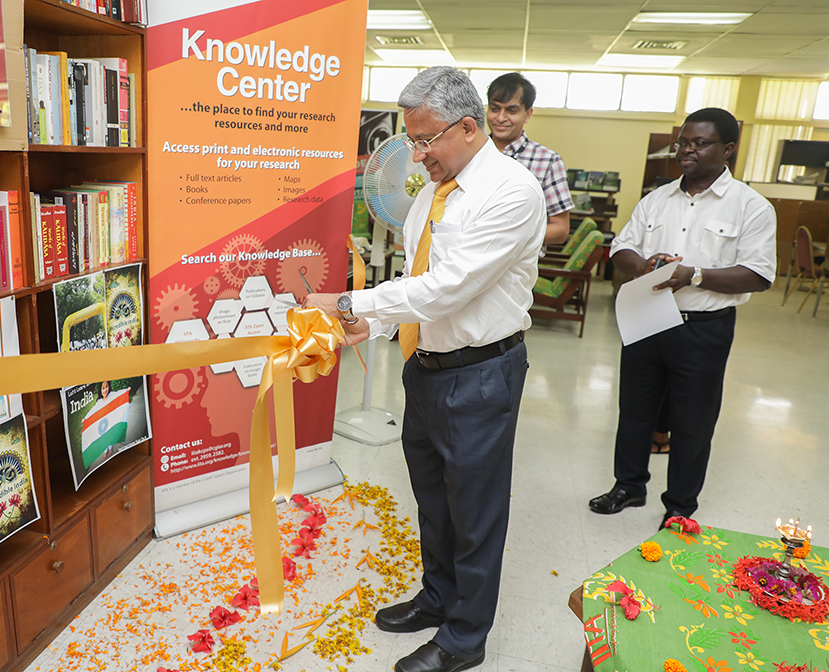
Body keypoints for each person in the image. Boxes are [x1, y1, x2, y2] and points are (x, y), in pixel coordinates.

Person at [305, 66, 545, 672]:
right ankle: (438, 598)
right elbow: (415, 281)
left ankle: (465, 637)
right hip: (427, 368)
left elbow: (448, 289)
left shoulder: (510, 193)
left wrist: (346, 303)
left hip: (482, 374)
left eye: (424, 140)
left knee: (476, 510)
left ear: (467, 127)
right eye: (411, 141)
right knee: (434, 498)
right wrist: (377, 324)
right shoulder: (431, 195)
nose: (416, 155)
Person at [588, 107, 776, 529]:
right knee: (634, 411)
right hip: (646, 318)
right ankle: (629, 486)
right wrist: (644, 265)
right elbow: (621, 247)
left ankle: (679, 508)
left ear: (727, 150)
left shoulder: (751, 207)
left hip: (702, 330)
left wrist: (692, 275)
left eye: (700, 143)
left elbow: (759, 275)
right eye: (683, 142)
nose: (687, 150)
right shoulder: (656, 198)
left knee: (693, 423)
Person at [487, 72, 573, 246]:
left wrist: (511, 237)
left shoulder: (548, 161)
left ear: (527, 114)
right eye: (495, 109)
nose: (501, 118)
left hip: (518, 267)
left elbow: (561, 229)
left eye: (511, 111)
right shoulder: (471, 155)